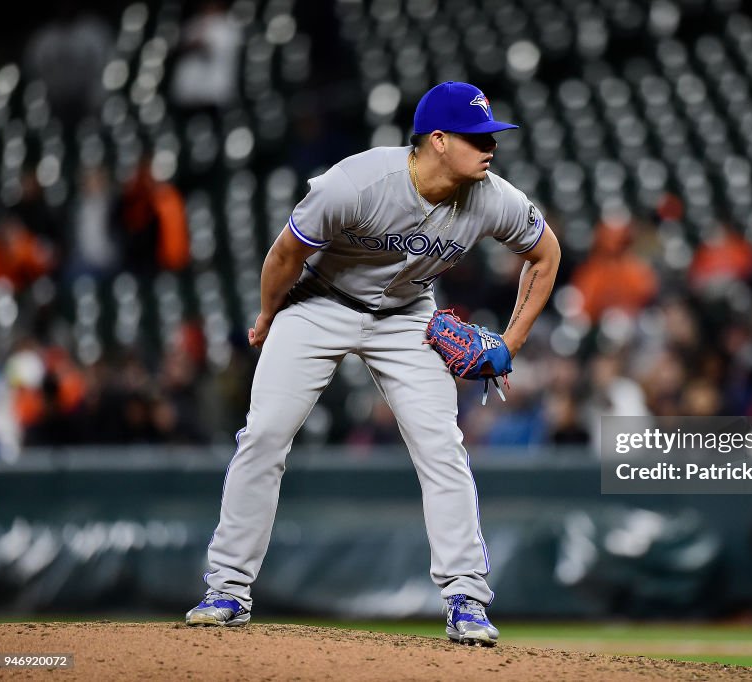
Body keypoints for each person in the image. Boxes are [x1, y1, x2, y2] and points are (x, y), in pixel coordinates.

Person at [184, 82, 561, 646]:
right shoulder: (358, 182)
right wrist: (267, 316)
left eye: (492, 137)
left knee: (442, 446)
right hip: (319, 303)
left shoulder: (493, 197)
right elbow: (286, 253)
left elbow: (546, 253)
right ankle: (228, 588)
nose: (490, 147)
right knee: (263, 434)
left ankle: (467, 597)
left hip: (409, 316)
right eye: (476, 137)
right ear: (437, 140)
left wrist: (510, 342)